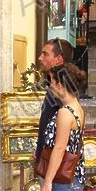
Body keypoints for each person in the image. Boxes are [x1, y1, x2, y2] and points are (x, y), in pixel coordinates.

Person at [34, 37, 74, 167]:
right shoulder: (53, 86)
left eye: (45, 54)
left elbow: (62, 142)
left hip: (57, 167)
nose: (40, 58)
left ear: (59, 59)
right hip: (48, 161)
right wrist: (40, 150)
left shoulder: (63, 90)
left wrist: (49, 178)